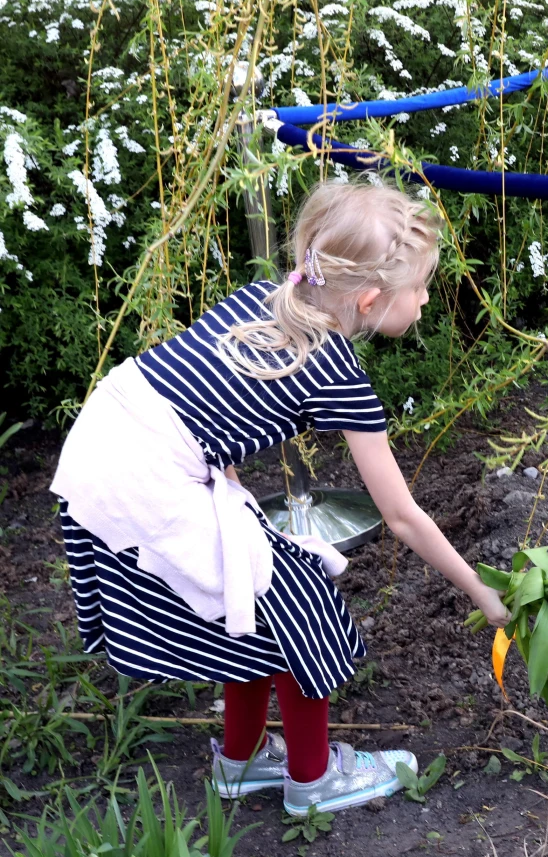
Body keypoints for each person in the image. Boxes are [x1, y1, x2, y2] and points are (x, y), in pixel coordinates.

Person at [50, 181, 509, 816]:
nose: (429, 298)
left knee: (255, 589)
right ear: (372, 299)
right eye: (422, 287)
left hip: (109, 433)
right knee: (304, 612)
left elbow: (202, 394)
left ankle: (239, 765)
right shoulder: (337, 373)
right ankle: (312, 782)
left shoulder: (270, 300)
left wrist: (230, 499)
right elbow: (402, 516)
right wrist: (484, 595)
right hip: (140, 476)